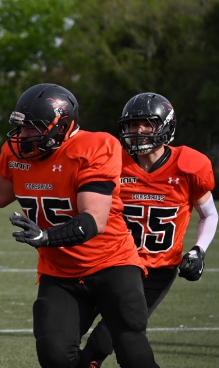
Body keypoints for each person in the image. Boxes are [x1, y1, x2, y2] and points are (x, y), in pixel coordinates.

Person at [0, 83, 159, 368]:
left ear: (62, 126)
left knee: (131, 348)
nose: (23, 136)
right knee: (55, 356)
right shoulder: (15, 154)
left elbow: (94, 220)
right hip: (60, 272)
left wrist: (46, 236)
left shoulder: (96, 146)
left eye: (32, 129)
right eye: (21, 128)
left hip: (111, 264)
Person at [79, 92, 217, 367]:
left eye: (146, 124)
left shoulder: (190, 165)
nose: (137, 130)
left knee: (106, 340)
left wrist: (199, 249)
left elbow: (209, 214)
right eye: (132, 124)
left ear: (165, 126)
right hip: (107, 264)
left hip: (155, 270)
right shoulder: (113, 161)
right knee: (71, 335)